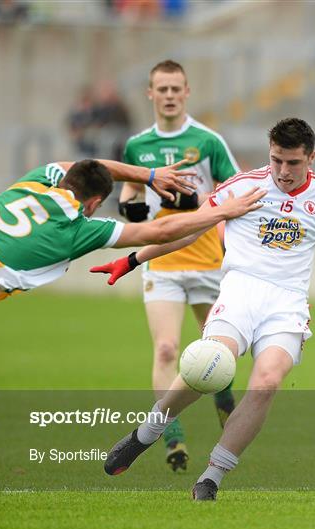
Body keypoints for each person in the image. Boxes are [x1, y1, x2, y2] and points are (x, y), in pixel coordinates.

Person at [92, 118, 315, 500]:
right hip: (239, 291)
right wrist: (132, 260)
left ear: (312, 158)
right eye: (276, 160)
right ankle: (146, 434)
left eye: (293, 163)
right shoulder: (243, 187)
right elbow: (189, 230)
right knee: (209, 365)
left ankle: (211, 477)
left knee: (266, 383)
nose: (283, 171)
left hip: (287, 304)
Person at [119, 59, 240, 471]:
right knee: (167, 347)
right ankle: (173, 438)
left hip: (208, 260)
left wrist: (200, 205)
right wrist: (131, 206)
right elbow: (132, 192)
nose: (169, 96)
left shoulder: (208, 142)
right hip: (162, 261)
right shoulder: (137, 146)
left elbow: (236, 194)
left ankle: (223, 396)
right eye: (162, 89)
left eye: (176, 89)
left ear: (187, 92)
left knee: (219, 350)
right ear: (150, 94)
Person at [0, 158, 264, 302]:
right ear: (96, 203)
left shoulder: (36, 181)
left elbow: (88, 164)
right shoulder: (81, 229)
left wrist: (150, 175)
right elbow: (161, 231)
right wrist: (224, 211)